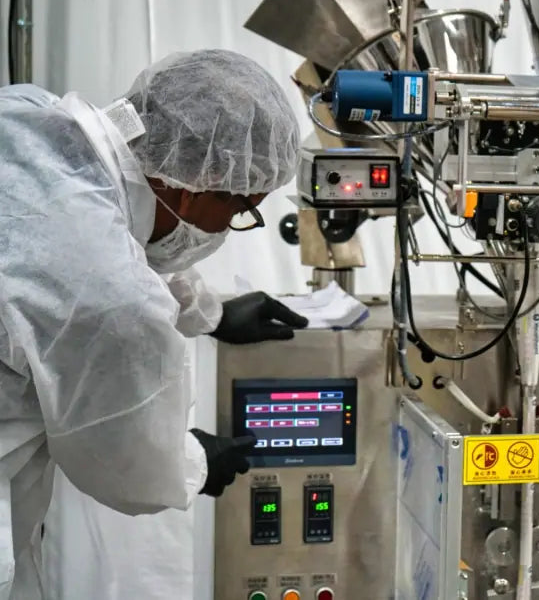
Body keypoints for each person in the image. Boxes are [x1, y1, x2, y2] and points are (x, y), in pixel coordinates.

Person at [0, 48, 309, 599]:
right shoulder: (113, 303)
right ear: (194, 187)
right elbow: (128, 464)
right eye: (241, 210)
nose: (235, 225)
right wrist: (193, 461)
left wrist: (209, 311)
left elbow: (71, 241)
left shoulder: (27, 117)